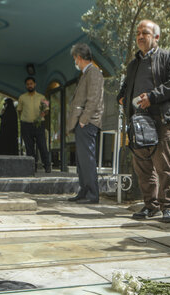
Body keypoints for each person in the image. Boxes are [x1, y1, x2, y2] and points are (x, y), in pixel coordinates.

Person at [117, 19, 170, 223]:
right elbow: (126, 87)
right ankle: (150, 205)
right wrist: (120, 97)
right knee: (143, 167)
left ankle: (168, 207)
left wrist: (152, 97)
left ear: (156, 37)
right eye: (138, 32)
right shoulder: (133, 65)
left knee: (164, 166)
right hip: (139, 123)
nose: (139, 36)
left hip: (162, 120)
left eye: (144, 32)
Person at [66, 43, 104, 204]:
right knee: (82, 160)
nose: (75, 61)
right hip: (83, 122)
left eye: (75, 58)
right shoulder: (87, 73)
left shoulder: (93, 72)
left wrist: (83, 120)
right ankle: (84, 190)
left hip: (87, 122)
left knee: (87, 159)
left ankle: (92, 194)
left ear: (79, 57)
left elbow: (93, 99)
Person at [17, 77, 51, 172]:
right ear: (26, 86)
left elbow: (47, 110)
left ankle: (47, 166)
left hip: (39, 124)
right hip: (26, 125)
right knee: (29, 147)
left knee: (42, 145)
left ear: (35, 84)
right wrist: (24, 119)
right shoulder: (22, 97)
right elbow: (19, 111)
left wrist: (43, 114)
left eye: (31, 83)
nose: (29, 85)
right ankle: (32, 167)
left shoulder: (42, 97)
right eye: (28, 84)